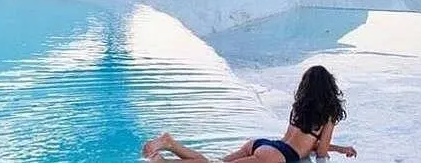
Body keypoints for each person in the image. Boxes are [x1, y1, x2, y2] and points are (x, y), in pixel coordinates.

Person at [142, 65, 357, 162]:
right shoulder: (327, 115)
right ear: (329, 87)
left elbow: (302, 142)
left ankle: (169, 146)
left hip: (265, 145)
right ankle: (164, 156)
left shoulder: (298, 108)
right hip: (277, 157)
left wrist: (339, 149)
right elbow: (320, 152)